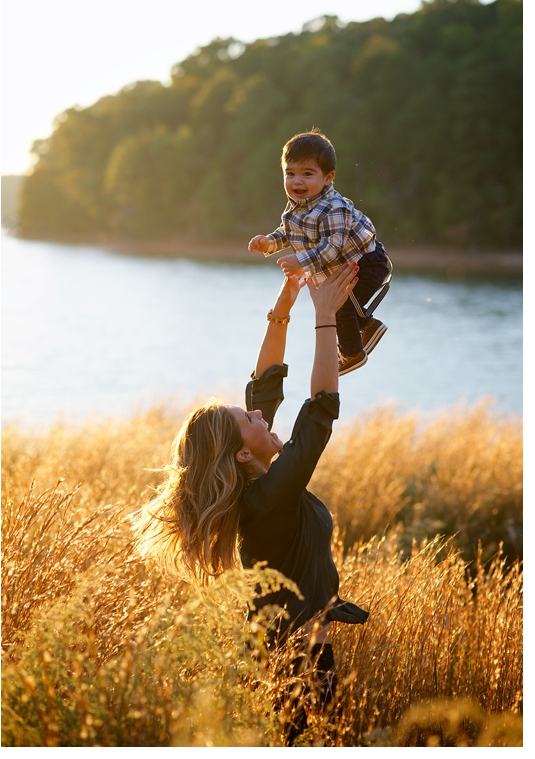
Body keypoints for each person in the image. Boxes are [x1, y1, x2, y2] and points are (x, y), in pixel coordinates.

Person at [134, 265, 370, 745]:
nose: (261, 414)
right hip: (296, 660)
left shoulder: (258, 490)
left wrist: (283, 310)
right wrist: (325, 318)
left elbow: (263, 387)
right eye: (251, 420)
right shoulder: (268, 499)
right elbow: (320, 410)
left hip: (288, 652)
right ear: (244, 453)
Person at [248, 129, 392, 376]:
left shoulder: (333, 208)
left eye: (307, 174)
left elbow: (332, 247)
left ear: (328, 178)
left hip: (368, 262)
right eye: (290, 173)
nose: (297, 181)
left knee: (338, 305)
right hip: (349, 264)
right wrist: (268, 243)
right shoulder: (297, 207)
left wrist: (301, 260)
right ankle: (367, 327)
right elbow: (288, 232)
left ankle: (352, 353)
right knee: (339, 304)